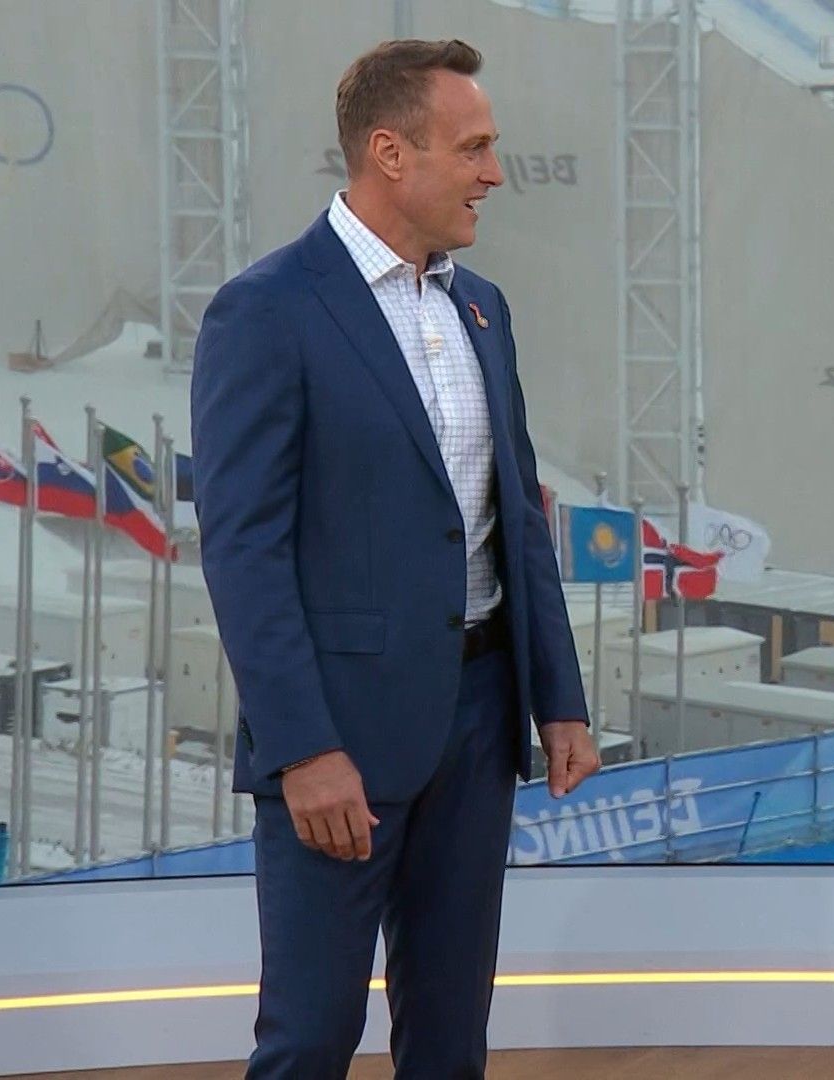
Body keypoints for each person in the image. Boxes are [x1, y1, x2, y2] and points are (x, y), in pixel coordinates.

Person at [191, 39, 600, 1079]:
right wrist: (302, 751)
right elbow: (244, 551)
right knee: (310, 1039)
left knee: (452, 1039)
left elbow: (515, 517)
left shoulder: (482, 307)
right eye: (474, 149)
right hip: (339, 740)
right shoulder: (267, 310)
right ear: (389, 152)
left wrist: (558, 700)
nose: (493, 174)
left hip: (480, 721)